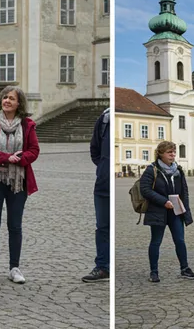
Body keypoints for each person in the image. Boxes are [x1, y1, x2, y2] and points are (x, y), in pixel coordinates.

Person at [0, 85, 40, 284]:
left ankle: (14, 268)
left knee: (15, 226)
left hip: (18, 182)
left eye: (11, 98)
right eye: (5, 98)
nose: (7, 101)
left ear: (18, 103)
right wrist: (6, 158)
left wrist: (19, 159)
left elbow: (34, 150)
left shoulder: (27, 125)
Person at [139, 141, 194, 283]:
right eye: (169, 152)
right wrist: (163, 201)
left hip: (175, 211)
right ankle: (154, 272)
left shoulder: (178, 170)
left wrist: (185, 209)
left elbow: (184, 191)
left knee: (180, 240)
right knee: (156, 241)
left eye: (174, 152)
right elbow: (145, 190)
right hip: (158, 211)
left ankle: (185, 268)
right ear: (161, 154)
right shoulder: (152, 170)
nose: (173, 155)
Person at [83, 108, 110, 283]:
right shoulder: (105, 118)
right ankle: (102, 267)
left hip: (107, 182)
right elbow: (95, 149)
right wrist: (103, 169)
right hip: (102, 185)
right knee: (102, 228)